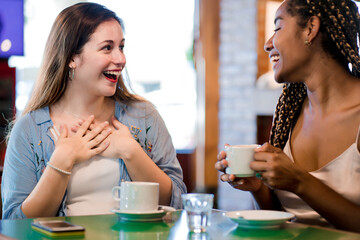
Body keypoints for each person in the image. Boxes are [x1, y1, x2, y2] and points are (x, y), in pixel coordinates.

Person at [2, 2, 186, 219]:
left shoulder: (144, 116)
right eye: (107, 47)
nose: (120, 59)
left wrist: (131, 152)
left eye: (121, 47)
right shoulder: (29, 129)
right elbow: (14, 222)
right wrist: (61, 161)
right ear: (72, 57)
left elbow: (177, 201)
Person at [216, 0, 360, 232]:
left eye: (278, 28)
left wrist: (299, 181)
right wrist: (258, 188)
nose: (267, 44)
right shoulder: (289, 115)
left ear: (310, 28)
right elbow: (287, 219)